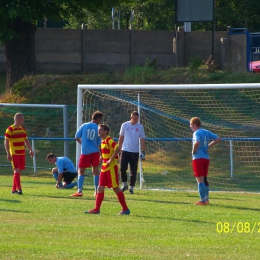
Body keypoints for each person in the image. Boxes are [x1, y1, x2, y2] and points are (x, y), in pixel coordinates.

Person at [85, 124, 130, 215]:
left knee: (116, 188)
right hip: (104, 168)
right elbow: (107, 152)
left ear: (106, 131)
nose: (99, 131)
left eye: (101, 130)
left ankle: (125, 209)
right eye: (99, 130)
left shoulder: (109, 140)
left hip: (111, 168)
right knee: (100, 188)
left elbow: (118, 148)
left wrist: (110, 159)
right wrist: (102, 157)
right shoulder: (103, 141)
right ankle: (96, 209)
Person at [71, 111, 104, 197]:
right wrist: (101, 154)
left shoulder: (84, 125)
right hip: (94, 152)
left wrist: (83, 144)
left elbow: (76, 137)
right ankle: (96, 191)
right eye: (100, 119)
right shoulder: (98, 128)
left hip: (85, 152)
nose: (100, 121)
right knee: (95, 172)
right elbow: (99, 143)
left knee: (81, 172)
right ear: (98, 119)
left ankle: (80, 190)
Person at [190, 117, 221, 205]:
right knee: (205, 179)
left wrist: (193, 151)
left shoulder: (196, 133)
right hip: (206, 158)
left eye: (191, 124)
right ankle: (206, 199)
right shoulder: (206, 132)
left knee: (200, 180)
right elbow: (218, 138)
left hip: (198, 158)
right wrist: (208, 147)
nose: (190, 126)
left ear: (195, 124)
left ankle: (202, 201)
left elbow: (197, 142)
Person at [4, 112, 34, 194]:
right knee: (17, 170)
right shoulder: (10, 129)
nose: (23, 121)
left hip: (22, 152)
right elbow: (6, 142)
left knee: (19, 171)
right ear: (17, 119)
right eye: (22, 119)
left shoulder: (22, 129)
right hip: (14, 153)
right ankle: (19, 189)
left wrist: (30, 149)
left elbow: (26, 140)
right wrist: (8, 153)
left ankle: (14, 189)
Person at [118, 111, 146, 194]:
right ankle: (125, 184)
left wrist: (143, 151)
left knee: (133, 170)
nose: (136, 120)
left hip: (135, 152)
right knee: (122, 168)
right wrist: (119, 149)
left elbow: (142, 139)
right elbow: (121, 137)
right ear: (131, 118)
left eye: (137, 119)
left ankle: (131, 188)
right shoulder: (124, 125)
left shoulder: (140, 127)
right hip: (125, 150)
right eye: (134, 118)